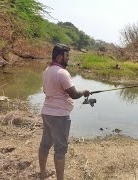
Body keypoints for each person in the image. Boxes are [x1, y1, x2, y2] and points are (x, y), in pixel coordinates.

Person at [38, 44, 90, 180]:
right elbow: (73, 94)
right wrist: (84, 92)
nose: (68, 59)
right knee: (60, 149)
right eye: (67, 56)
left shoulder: (46, 70)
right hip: (59, 117)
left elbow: (45, 91)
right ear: (60, 57)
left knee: (45, 144)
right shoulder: (62, 73)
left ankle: (42, 173)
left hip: (47, 113)